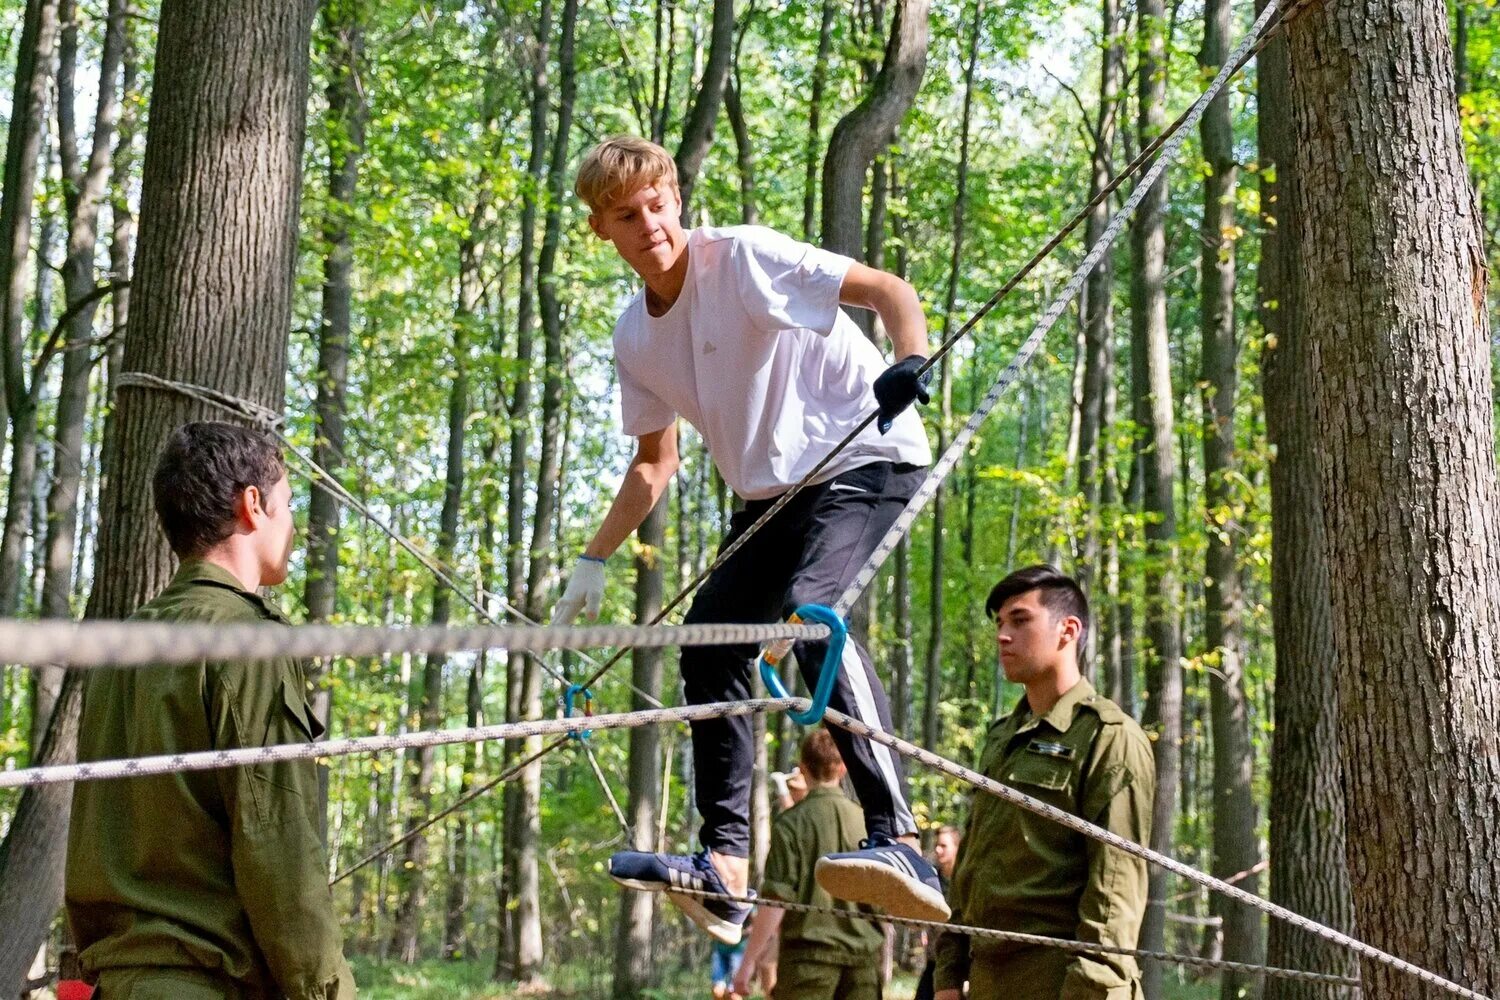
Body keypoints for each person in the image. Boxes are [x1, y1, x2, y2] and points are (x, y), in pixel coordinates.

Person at [554, 135, 948, 944]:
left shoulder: (742, 258)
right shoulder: (635, 337)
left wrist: (911, 359)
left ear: (676, 199)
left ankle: (900, 838)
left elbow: (885, 288)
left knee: (814, 617)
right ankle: (725, 869)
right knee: (708, 641)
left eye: (659, 204)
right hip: (771, 497)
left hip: (861, 454)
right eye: (628, 216)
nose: (651, 224)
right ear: (603, 231)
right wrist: (593, 557)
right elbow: (653, 465)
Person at [66, 422, 355, 1000]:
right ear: (253, 505)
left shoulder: (122, 645)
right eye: (289, 504)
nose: (294, 526)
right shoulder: (249, 643)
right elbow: (278, 845)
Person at [934, 566, 1154, 999]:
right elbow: (973, 867)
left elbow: (1114, 893)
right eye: (999, 623)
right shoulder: (1002, 737)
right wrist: (947, 975)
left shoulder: (1109, 736)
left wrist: (1087, 989)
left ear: (1067, 630)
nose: (1002, 635)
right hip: (989, 979)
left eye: (1019, 620)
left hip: (1062, 981)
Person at [732, 730, 886, 999]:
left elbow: (776, 901)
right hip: (863, 964)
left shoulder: (791, 824)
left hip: (807, 965)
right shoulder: (867, 823)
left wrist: (746, 966)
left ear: (803, 768)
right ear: (843, 768)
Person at [912, 825, 961, 1000]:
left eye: (944, 846)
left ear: (957, 847)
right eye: (937, 846)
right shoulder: (930, 880)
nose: (938, 850)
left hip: (961, 965)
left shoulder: (965, 882)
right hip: (934, 961)